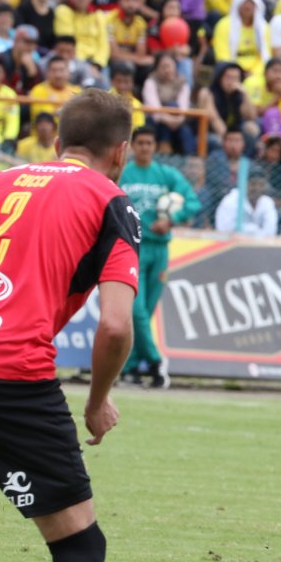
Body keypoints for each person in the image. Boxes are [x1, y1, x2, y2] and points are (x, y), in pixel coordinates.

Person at [0, 89, 139, 562]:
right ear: (121, 152)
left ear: (57, 140)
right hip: (9, 374)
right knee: (77, 543)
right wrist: (97, 400)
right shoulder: (110, 200)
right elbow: (115, 326)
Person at [117, 125, 202, 388]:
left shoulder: (166, 175)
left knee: (147, 310)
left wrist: (172, 219)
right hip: (132, 248)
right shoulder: (122, 173)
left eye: (149, 143)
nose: (144, 147)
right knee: (136, 310)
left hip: (160, 250)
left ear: (155, 147)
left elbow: (193, 202)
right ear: (132, 146)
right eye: (140, 143)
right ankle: (155, 362)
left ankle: (130, 368)